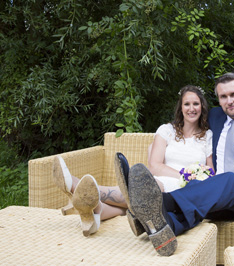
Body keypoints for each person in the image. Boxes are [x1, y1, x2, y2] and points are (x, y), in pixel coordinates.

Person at [119, 73, 234, 256]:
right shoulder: (214, 118)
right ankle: (166, 227)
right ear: (219, 101)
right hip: (218, 199)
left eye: (233, 94)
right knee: (200, 186)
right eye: (223, 97)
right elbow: (182, 125)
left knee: (229, 179)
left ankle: (163, 202)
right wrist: (154, 150)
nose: (229, 101)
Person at [52, 85, 214, 237]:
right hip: (163, 180)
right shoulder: (167, 131)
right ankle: (95, 207)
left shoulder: (208, 136)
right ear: (180, 107)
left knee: (148, 192)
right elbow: (155, 166)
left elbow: (211, 173)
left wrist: (197, 177)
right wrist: (182, 174)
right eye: (187, 104)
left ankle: (84, 191)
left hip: (188, 190)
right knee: (151, 188)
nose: (191, 108)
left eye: (196, 104)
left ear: (202, 107)